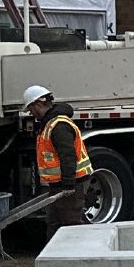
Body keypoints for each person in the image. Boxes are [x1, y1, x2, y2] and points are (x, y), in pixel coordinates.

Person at [22, 84, 94, 229]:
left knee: (71, 224)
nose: (31, 113)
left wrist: (68, 184)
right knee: (55, 222)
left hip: (71, 184)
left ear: (37, 104)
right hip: (61, 184)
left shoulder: (59, 125)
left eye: (30, 109)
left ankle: (80, 251)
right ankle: (53, 252)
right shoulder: (50, 124)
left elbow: (68, 156)